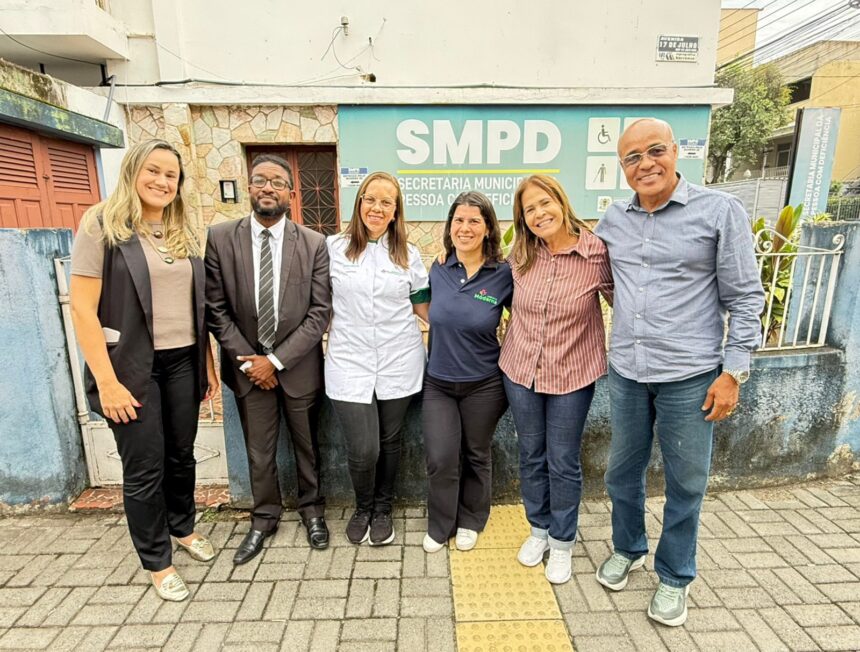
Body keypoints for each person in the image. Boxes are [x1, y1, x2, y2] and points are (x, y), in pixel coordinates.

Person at [593, 118, 764, 627]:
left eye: (655, 151)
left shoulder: (719, 211)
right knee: (621, 473)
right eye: (632, 157)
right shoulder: (614, 219)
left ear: (674, 151)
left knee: (686, 482)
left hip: (691, 376)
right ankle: (628, 548)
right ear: (622, 167)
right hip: (627, 372)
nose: (645, 164)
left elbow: (745, 296)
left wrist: (734, 372)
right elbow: (601, 277)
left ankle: (674, 575)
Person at [70, 139, 219, 602]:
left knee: (181, 455)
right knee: (144, 467)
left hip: (183, 361)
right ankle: (157, 561)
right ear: (132, 170)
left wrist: (207, 363)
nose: (162, 181)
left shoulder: (179, 230)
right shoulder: (101, 224)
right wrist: (107, 382)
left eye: (171, 175)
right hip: (131, 366)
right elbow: (82, 309)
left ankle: (183, 526)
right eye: (153, 170)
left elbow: (195, 306)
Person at [205, 154, 332, 564]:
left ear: (290, 193)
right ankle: (264, 518)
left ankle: (313, 511)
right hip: (247, 370)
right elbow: (216, 309)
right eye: (260, 180)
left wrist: (274, 361)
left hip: (297, 369)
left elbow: (319, 313)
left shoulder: (313, 243)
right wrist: (251, 362)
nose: (268, 188)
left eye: (278, 182)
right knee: (259, 452)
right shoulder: (220, 238)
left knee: (307, 447)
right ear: (248, 186)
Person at [499, 174, 613, 585]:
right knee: (531, 454)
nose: (539, 214)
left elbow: (627, 302)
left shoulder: (596, 253)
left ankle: (562, 542)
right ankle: (539, 530)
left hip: (572, 374)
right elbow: (489, 292)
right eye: (529, 209)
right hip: (521, 371)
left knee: (562, 460)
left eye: (544, 203)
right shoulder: (521, 255)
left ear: (561, 202)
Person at [326, 171, 430, 546]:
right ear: (359, 202)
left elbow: (424, 308)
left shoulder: (408, 254)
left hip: (399, 357)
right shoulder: (333, 248)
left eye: (387, 202)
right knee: (363, 447)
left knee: (390, 439)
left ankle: (383, 509)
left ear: (396, 210)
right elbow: (318, 304)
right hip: (348, 360)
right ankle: (363, 507)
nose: (377, 208)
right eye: (370, 199)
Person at [421, 192, 513, 554]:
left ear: (488, 228)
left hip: (484, 385)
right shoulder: (438, 268)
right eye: (458, 220)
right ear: (449, 227)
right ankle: (441, 523)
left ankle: (471, 520)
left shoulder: (503, 274)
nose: (465, 228)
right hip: (439, 383)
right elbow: (421, 304)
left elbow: (526, 316)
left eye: (475, 221)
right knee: (441, 457)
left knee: (477, 453)